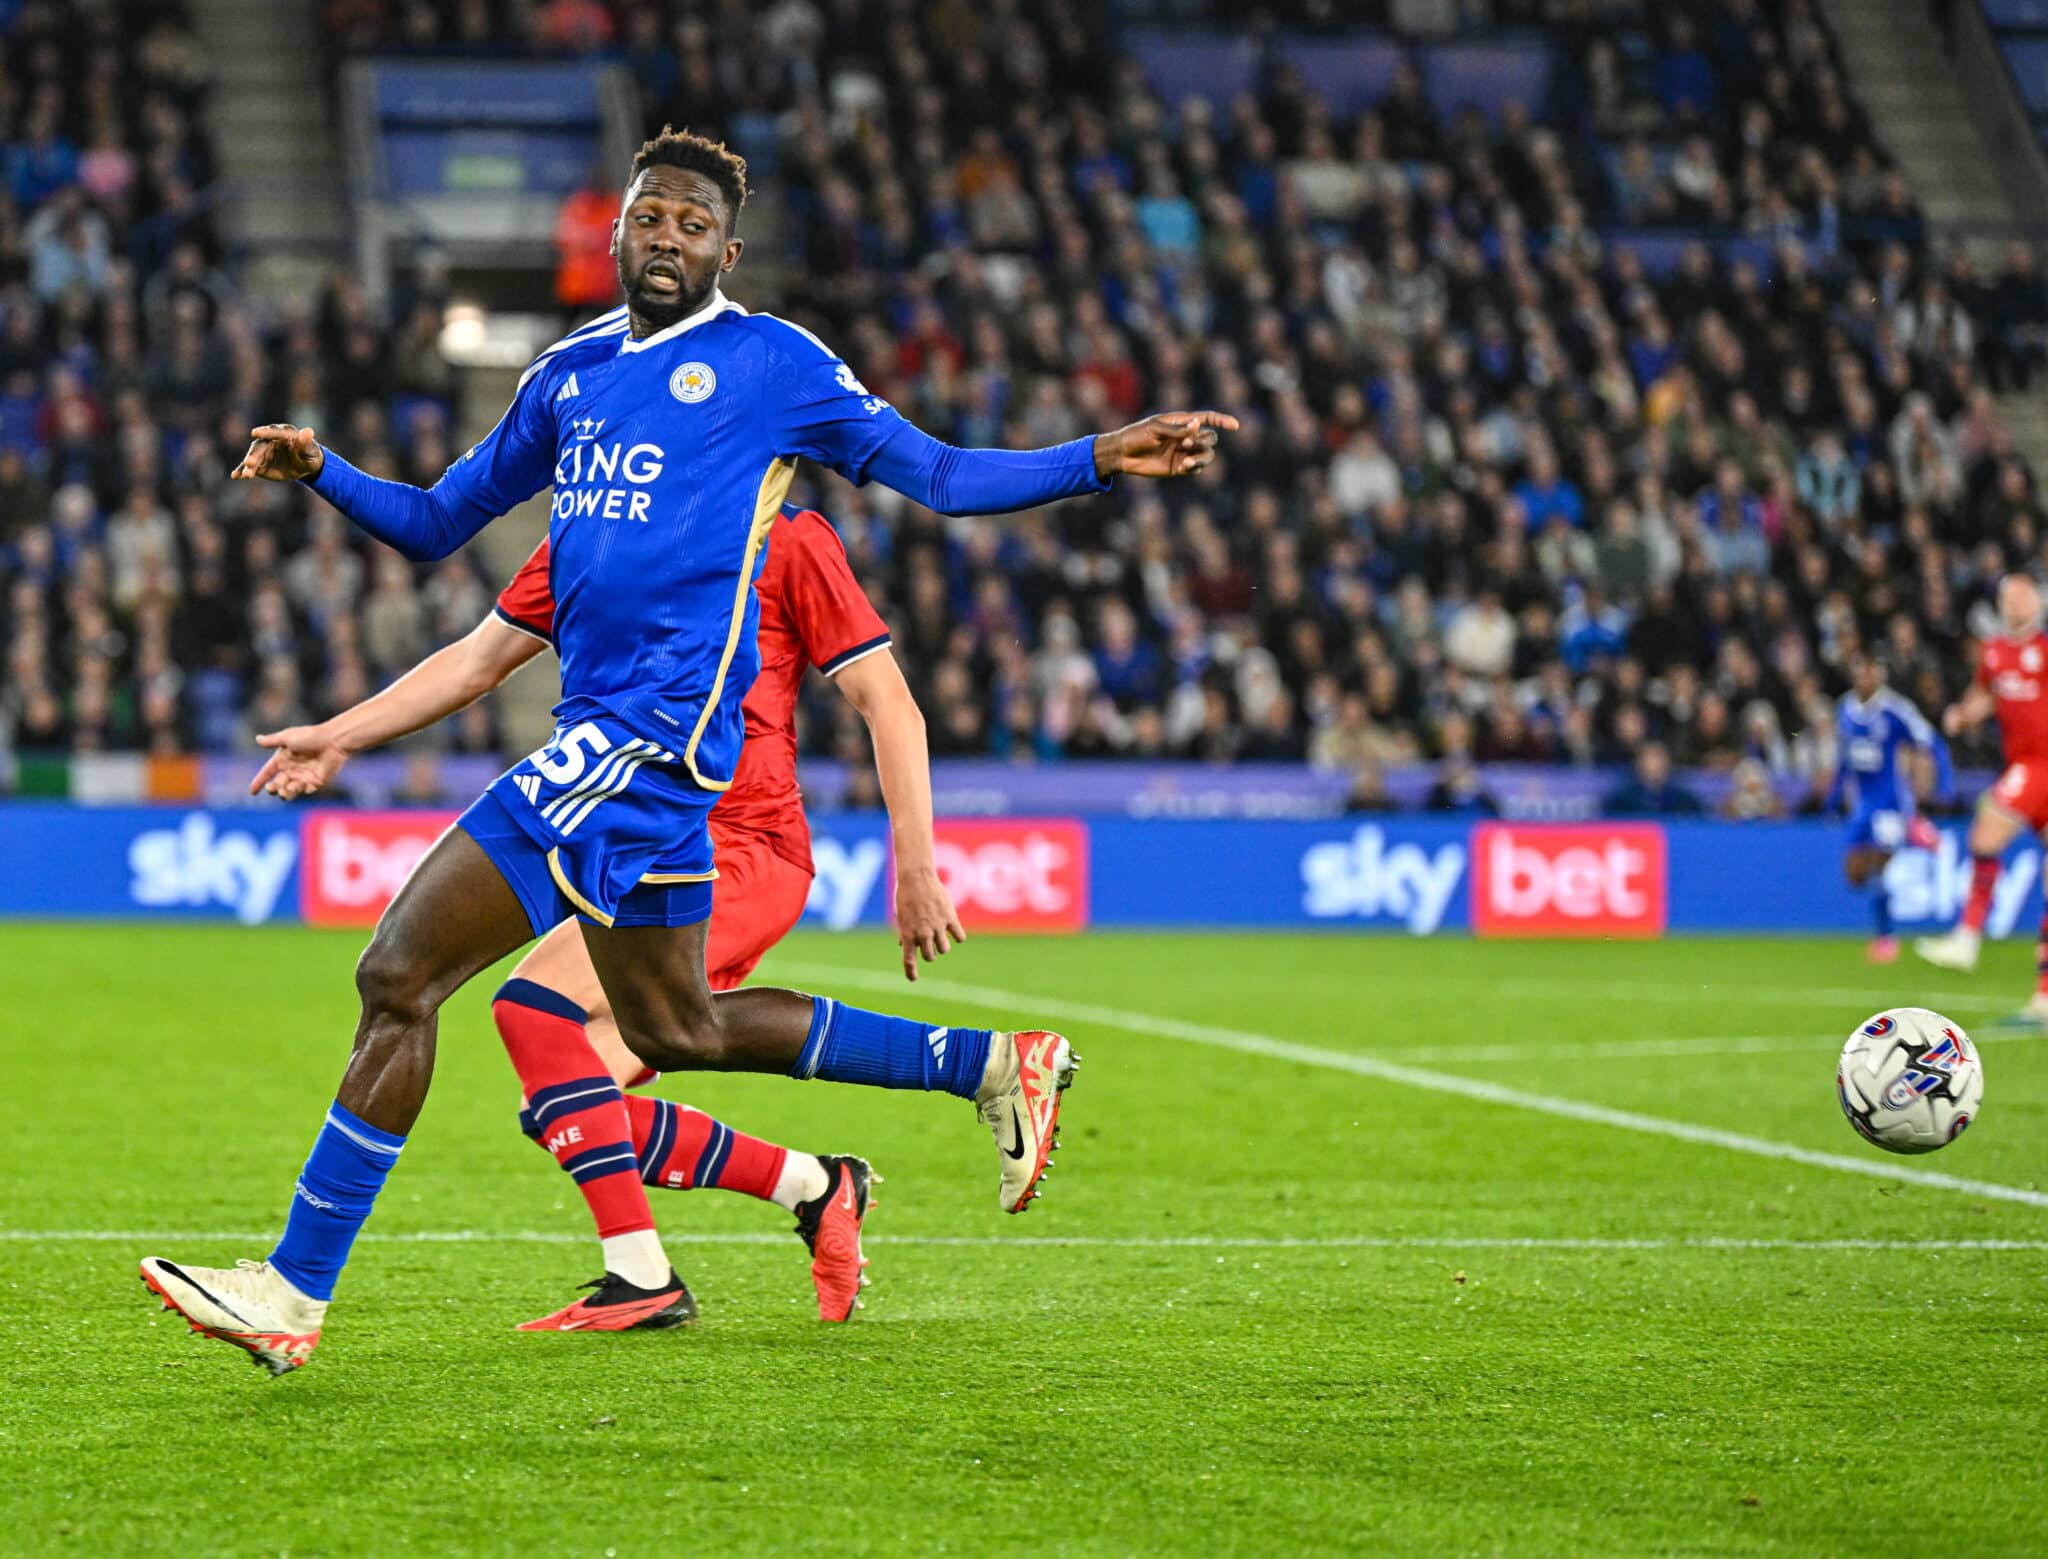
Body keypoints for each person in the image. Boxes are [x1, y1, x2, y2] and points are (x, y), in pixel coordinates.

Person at [141, 126, 1237, 1375]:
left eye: (692, 225)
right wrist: (322, 470)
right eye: (649, 218)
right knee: (686, 1028)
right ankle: (980, 1070)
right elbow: (441, 521)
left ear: (727, 247)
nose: (668, 239)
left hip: (643, 743)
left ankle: (292, 1288)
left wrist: (1097, 457)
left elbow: (934, 472)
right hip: (641, 774)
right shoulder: (565, 375)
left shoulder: (772, 362)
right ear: (614, 231)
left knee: (400, 975)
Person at [250, 505, 938, 1326]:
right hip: (634, 831)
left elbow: (889, 693)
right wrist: (339, 733)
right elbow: (475, 655)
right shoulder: (594, 520)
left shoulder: (790, 537)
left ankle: (642, 1273)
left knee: (536, 1012)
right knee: (571, 1097)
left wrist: (917, 868)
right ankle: (818, 1183)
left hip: (745, 842)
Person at [1915, 573, 2048, 980]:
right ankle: (2044, 996)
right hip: (2022, 764)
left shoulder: (2045, 650)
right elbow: (1985, 695)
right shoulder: (1994, 652)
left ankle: (1967, 938)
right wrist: (1963, 713)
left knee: (1983, 836)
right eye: (2009, 597)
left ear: (2038, 603)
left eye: (2023, 596)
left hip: (2040, 764)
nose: (2016, 604)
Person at [1824, 653, 1950, 965]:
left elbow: (1931, 742)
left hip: (1891, 802)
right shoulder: (1845, 710)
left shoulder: (1896, 710)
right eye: (1860, 671)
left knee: (1880, 868)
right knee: (1853, 875)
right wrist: (1833, 795)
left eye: (1872, 671)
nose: (1866, 678)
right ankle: (1916, 832)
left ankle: (1885, 938)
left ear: (1880, 675)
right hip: (1862, 804)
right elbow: (1845, 760)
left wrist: (1944, 783)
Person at [1601, 742, 1704, 816]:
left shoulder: (1685, 800)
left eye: (1658, 758)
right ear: (1638, 763)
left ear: (1668, 763)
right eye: (1648, 758)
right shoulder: (1621, 800)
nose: (1653, 764)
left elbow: (1699, 825)